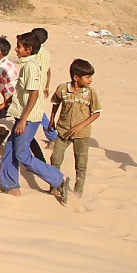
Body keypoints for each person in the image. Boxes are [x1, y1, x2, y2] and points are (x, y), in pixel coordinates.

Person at [0, 31, 70, 205]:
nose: (16, 49)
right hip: (22, 114)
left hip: (28, 117)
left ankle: (57, 180)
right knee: (10, 149)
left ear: (29, 49)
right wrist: (7, 103)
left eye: (19, 47)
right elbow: (22, 92)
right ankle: (10, 185)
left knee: (22, 154)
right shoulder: (29, 64)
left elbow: (33, 94)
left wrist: (23, 119)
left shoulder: (31, 67)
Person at [49, 59, 102, 196]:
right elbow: (55, 103)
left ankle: (78, 191)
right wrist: (51, 120)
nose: (90, 80)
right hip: (63, 131)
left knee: (81, 164)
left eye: (91, 77)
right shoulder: (62, 89)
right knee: (55, 159)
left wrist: (80, 126)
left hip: (82, 134)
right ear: (76, 78)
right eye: (87, 77)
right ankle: (54, 186)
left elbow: (96, 113)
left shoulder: (90, 93)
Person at [31, 27, 59, 152]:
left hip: (33, 88)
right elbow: (48, 70)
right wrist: (47, 86)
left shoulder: (33, 52)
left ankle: (53, 136)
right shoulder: (46, 54)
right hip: (40, 87)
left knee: (39, 114)